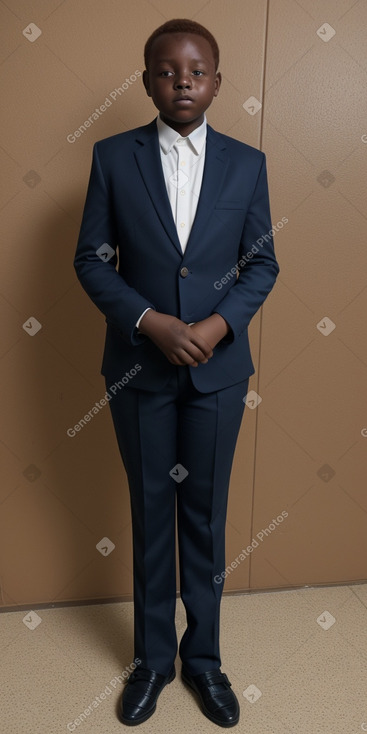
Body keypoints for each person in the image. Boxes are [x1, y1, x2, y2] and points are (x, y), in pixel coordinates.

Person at [74, 18, 279, 728]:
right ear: (147, 80)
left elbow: (262, 263)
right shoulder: (111, 157)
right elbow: (90, 261)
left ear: (216, 83)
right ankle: (152, 661)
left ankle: (205, 661)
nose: (182, 82)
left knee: (206, 519)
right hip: (139, 372)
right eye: (166, 71)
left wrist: (218, 326)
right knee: (150, 517)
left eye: (196, 72)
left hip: (217, 378)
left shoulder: (247, 164)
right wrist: (149, 322)